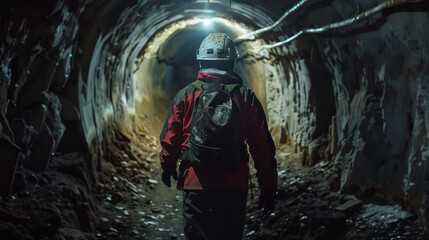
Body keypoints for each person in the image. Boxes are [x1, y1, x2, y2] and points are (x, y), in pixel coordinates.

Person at [159, 33, 277, 240]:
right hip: (234, 183)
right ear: (232, 62)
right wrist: (268, 186)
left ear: (201, 60)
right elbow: (262, 147)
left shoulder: (185, 96)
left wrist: (167, 166)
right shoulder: (245, 97)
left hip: (196, 183)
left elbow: (171, 137)